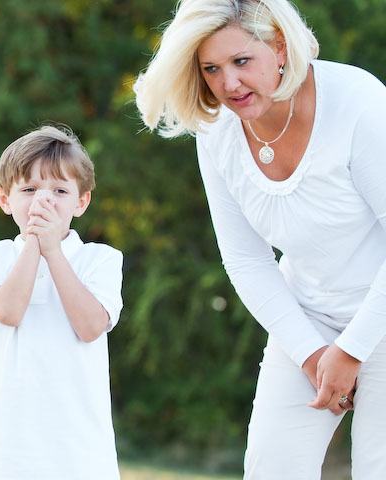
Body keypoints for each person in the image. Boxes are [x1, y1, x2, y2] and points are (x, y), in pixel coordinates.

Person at [132, 0, 386, 478]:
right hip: (308, 315)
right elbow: (246, 260)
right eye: (211, 69)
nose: (229, 84)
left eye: (241, 61)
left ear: (280, 48)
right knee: (271, 468)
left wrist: (352, 350)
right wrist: (313, 354)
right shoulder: (217, 132)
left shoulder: (358, 103)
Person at [0, 125, 124, 479]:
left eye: (59, 190)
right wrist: (35, 244)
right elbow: (8, 311)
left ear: (80, 202)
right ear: (5, 199)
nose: (44, 201)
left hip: (80, 450)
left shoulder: (100, 259)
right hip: (8, 447)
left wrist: (53, 250)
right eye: (29, 189)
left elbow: (90, 327)